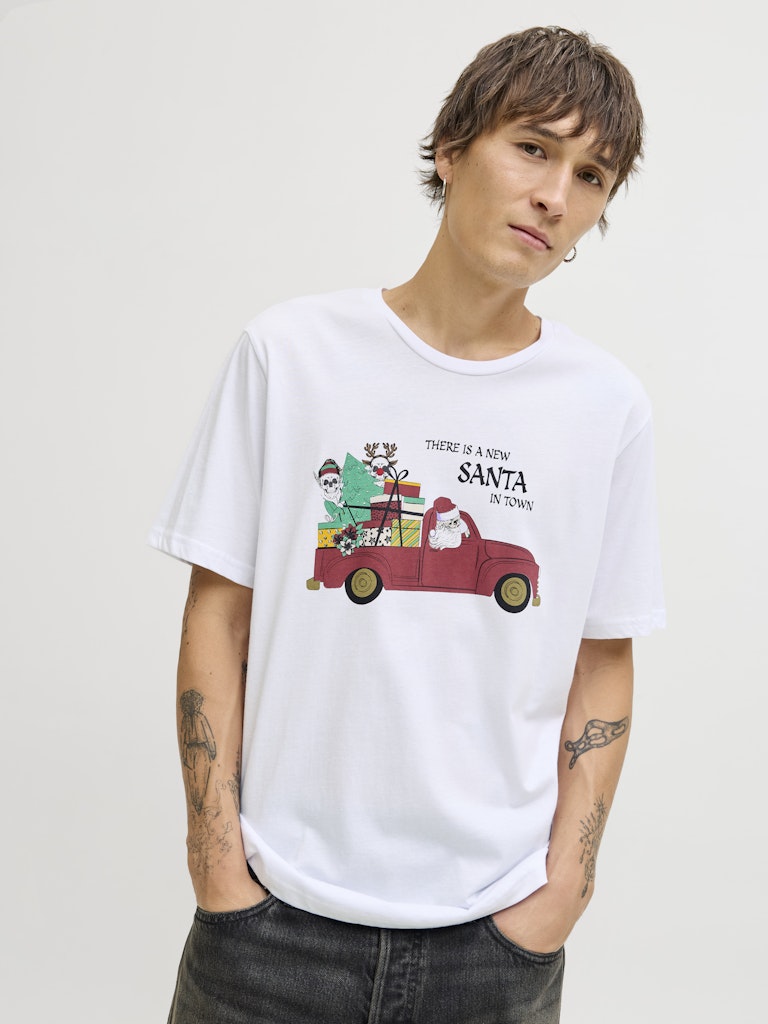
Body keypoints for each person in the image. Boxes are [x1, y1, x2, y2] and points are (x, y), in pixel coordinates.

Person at [149, 25, 664, 1024]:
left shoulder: (606, 407)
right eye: (534, 148)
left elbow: (603, 655)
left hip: (494, 944)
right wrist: (217, 862)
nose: (556, 196)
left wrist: (565, 890)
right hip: (271, 925)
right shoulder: (291, 354)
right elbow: (218, 614)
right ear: (453, 148)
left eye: (591, 176)